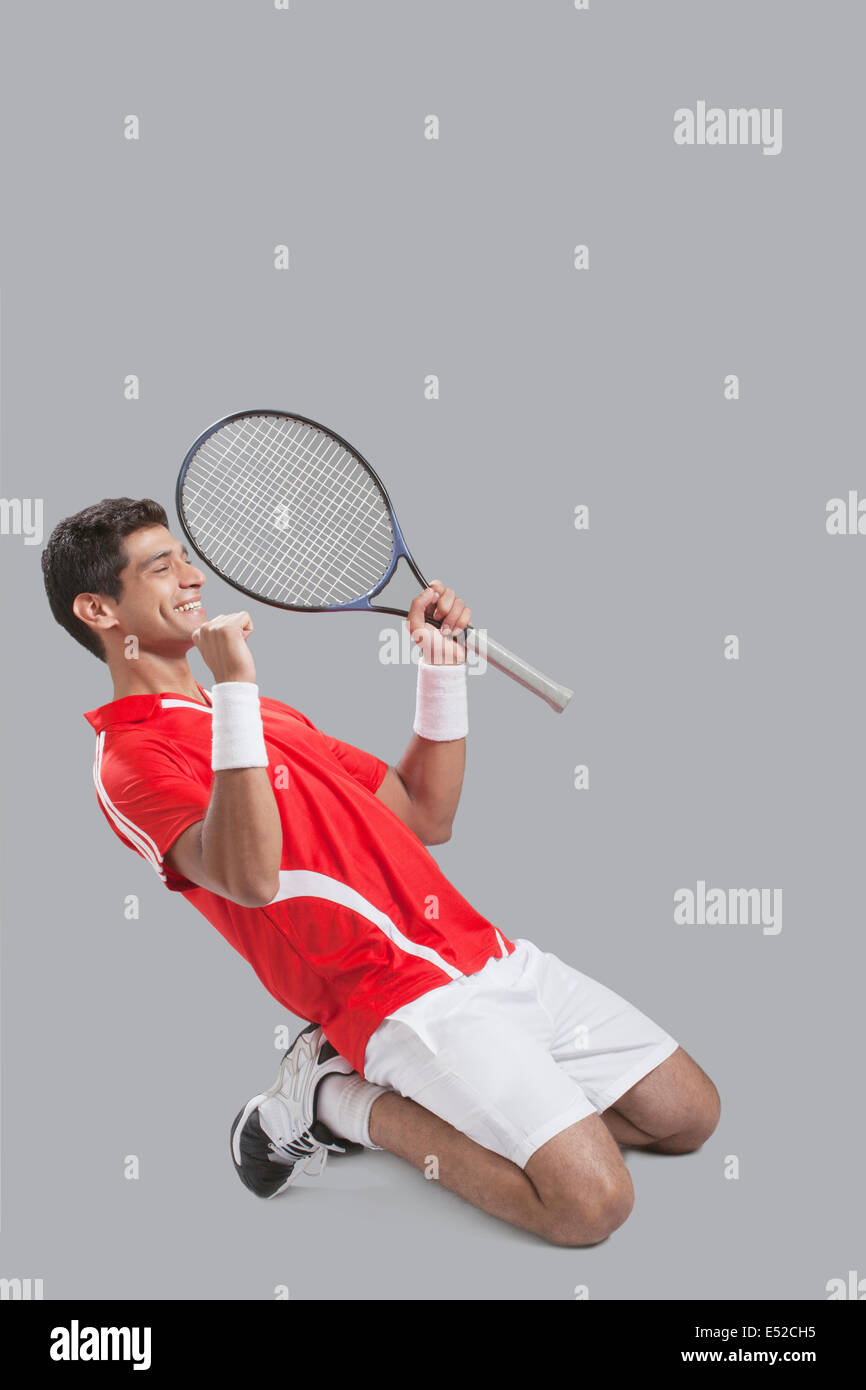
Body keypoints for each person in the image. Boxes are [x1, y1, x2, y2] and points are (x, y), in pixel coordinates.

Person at [42, 496, 720, 1247]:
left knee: (688, 1118)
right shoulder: (130, 760)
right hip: (395, 1001)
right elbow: (247, 878)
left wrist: (440, 670)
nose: (191, 578)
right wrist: (234, 691)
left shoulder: (277, 721)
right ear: (98, 609)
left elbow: (426, 814)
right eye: (160, 568)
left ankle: (449, 1097)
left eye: (184, 558)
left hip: (486, 955)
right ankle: (336, 1098)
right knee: (589, 1207)